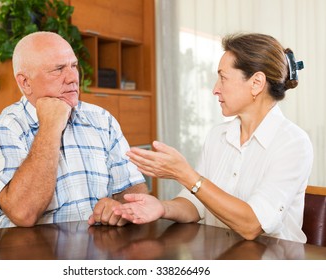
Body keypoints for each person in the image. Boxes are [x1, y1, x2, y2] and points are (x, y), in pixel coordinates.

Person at [113, 33, 313, 243]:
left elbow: (252, 224)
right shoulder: (217, 136)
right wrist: (162, 207)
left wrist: (185, 174)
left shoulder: (293, 143)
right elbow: (196, 203)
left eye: (223, 78)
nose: (215, 89)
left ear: (256, 83)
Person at [0, 31, 148, 229]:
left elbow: (135, 193)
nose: (72, 78)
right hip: (31, 254)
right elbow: (23, 214)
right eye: (58, 69)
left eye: (74, 66)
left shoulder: (102, 119)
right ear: (25, 83)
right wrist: (50, 126)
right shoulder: (1, 129)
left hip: (96, 251)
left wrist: (118, 208)